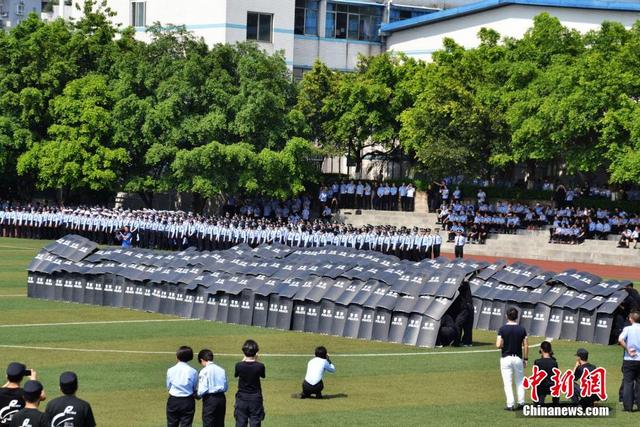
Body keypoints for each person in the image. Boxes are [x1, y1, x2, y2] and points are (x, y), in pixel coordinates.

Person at [496, 307, 528, 411]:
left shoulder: (502, 329)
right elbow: (526, 345)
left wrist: (503, 344)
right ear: (517, 317)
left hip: (505, 358)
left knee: (507, 383)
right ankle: (521, 402)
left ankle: (510, 404)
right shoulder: (522, 329)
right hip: (518, 357)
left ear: (506, 316)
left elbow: (498, 345)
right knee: (519, 381)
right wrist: (526, 359)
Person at [234, 340, 265, 427]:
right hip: (256, 398)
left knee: (240, 422)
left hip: (242, 398)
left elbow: (236, 375)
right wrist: (256, 360)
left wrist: (243, 360)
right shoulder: (260, 366)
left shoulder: (239, 365)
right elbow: (263, 375)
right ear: (256, 352)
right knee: (255, 422)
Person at [166, 346, 198, 427]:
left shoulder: (171, 370)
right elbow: (194, 387)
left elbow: (168, 386)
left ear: (177, 356)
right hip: (187, 400)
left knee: (171, 424)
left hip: (173, 400)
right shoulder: (193, 371)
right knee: (187, 424)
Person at [197, 349, 228, 427]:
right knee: (220, 422)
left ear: (201, 360)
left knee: (208, 422)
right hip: (221, 398)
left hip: (210, 399)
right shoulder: (221, 370)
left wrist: (197, 395)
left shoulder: (204, 371)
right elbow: (226, 386)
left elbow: (202, 389)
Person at [619, 310, 640, 412]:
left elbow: (620, 339)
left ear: (631, 319)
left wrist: (628, 350)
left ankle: (628, 407)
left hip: (630, 359)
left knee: (628, 382)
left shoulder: (627, 328)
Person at [532, 341, 559, 406]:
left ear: (541, 349)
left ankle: (539, 401)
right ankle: (555, 402)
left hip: (541, 387)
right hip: (551, 386)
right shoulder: (554, 362)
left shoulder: (537, 362)